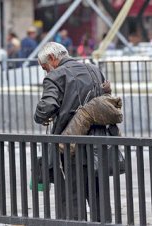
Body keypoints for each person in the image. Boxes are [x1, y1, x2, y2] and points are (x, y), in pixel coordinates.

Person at [34, 42, 114, 222]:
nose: (46, 72)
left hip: (69, 149)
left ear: (53, 59)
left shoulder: (55, 76)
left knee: (71, 199)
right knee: (99, 198)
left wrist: (41, 116)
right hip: (97, 145)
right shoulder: (94, 70)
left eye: (45, 67)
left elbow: (46, 108)